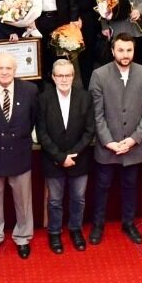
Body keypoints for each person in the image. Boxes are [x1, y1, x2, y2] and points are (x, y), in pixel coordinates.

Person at [88, 35, 142, 246]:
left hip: (133, 147)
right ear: (112, 51)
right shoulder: (99, 75)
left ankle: (129, 223)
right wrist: (109, 141)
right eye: (120, 50)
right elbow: (96, 114)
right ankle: (98, 224)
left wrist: (133, 140)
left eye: (129, 50)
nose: (125, 54)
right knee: (102, 187)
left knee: (130, 187)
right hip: (107, 146)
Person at [0, 50, 40, 257]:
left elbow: (32, 118)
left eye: (8, 68)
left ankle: (23, 237)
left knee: (23, 200)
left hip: (19, 153)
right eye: (0, 68)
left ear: (15, 69)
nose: (4, 72)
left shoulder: (30, 90)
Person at [38, 57, 94, 253]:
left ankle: (75, 230)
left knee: (78, 199)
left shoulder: (85, 97)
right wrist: (60, 157)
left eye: (67, 75)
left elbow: (89, 131)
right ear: (53, 77)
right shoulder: (43, 98)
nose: (64, 79)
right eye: (60, 76)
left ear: (73, 76)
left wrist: (72, 155)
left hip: (79, 159)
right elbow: (42, 133)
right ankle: (54, 232)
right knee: (55, 201)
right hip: (53, 160)